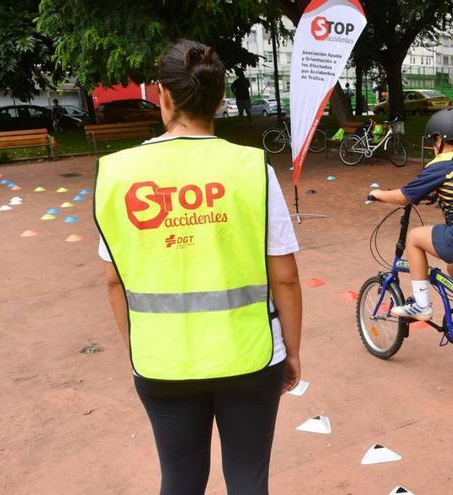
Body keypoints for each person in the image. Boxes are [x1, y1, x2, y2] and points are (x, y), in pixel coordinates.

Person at [94, 39, 302, 495]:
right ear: (221, 99)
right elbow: (284, 275)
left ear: (162, 96)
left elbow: (115, 282)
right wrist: (293, 349)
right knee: (248, 478)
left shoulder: (116, 172)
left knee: (181, 479)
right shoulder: (252, 167)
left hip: (161, 361)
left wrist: (140, 353)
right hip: (250, 353)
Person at [368, 108, 453, 320]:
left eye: (433, 140)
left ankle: (421, 304)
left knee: (414, 237)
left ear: (439, 139)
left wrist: (378, 194)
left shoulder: (441, 165)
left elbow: (405, 196)